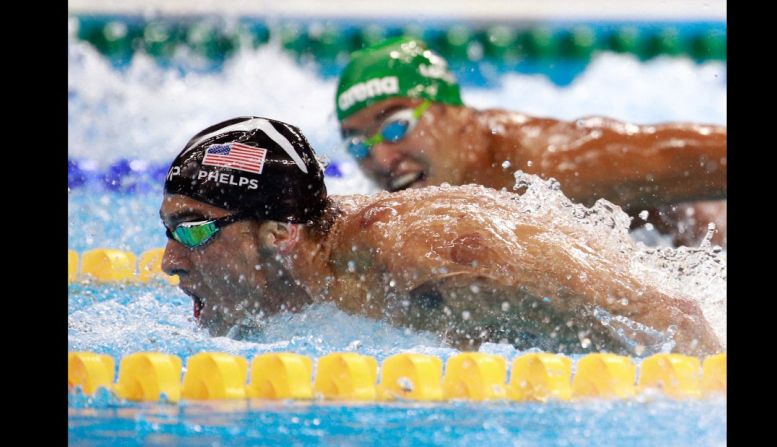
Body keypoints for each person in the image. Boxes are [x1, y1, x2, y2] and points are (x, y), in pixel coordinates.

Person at [160, 116, 722, 356]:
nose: (170, 261)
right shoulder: (317, 265)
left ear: (280, 231)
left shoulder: (420, 249)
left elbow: (674, 317)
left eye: (194, 230)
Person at [335, 37, 727, 247]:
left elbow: (702, 157)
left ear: (455, 113)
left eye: (395, 127)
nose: (381, 158)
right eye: (358, 144)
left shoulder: (549, 161)